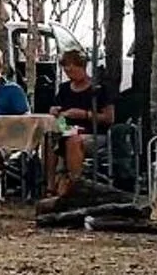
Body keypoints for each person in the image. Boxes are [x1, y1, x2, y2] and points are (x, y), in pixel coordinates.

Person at [46, 49, 114, 196]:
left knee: (73, 139)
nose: (69, 71)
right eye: (66, 68)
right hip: (67, 127)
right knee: (50, 136)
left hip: (94, 132)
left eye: (72, 67)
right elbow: (59, 113)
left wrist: (84, 114)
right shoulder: (64, 89)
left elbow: (109, 118)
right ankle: (50, 185)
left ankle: (75, 184)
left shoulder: (99, 89)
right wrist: (55, 112)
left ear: (82, 66)